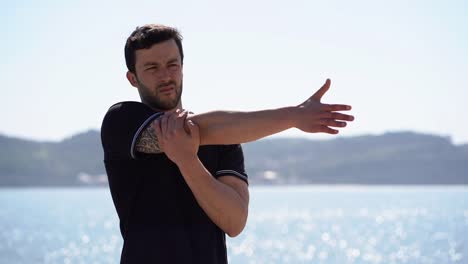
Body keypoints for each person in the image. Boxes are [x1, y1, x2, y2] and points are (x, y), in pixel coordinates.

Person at [101, 24, 354, 263]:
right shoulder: (121, 121)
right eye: (152, 68)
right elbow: (180, 132)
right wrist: (293, 116)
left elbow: (234, 222)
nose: (166, 75)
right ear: (132, 78)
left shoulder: (224, 139)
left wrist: (188, 162)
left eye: (172, 64)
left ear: (182, 67)